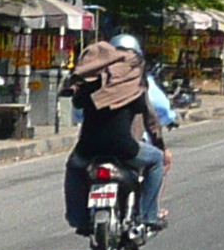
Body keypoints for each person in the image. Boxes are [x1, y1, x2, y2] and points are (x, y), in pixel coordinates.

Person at [62, 38, 170, 234]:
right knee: (156, 160)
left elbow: (77, 104)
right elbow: (150, 118)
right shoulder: (133, 86)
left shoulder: (90, 85)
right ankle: (148, 215)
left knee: (74, 168)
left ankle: (78, 218)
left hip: (87, 147)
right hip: (123, 147)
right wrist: (160, 145)